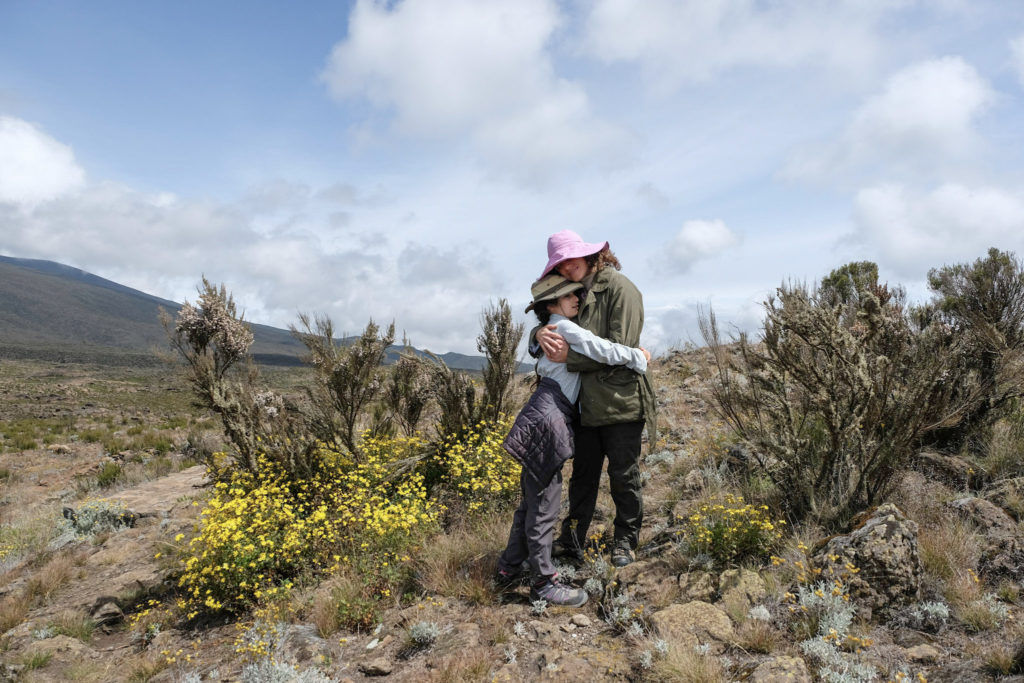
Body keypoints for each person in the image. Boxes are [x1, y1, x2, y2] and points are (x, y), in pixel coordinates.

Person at [497, 272, 650, 606]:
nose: (577, 299)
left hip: (543, 414)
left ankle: (509, 568)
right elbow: (600, 349)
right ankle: (543, 583)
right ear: (552, 304)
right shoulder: (563, 327)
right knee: (545, 505)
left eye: (576, 295)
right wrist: (637, 356)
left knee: (531, 501)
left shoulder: (550, 329)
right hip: (552, 418)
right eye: (569, 296)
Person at [533, 230, 656, 568]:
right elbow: (553, 318)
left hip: (620, 401)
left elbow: (622, 347)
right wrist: (540, 332)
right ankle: (572, 542)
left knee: (624, 475)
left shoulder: (621, 289)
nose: (566, 266)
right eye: (560, 263)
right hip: (584, 406)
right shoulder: (573, 291)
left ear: (590, 255)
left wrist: (568, 359)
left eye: (570, 258)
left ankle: (625, 542)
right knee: (583, 476)